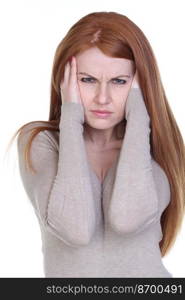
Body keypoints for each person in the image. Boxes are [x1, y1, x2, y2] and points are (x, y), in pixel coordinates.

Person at [8, 12, 185, 277]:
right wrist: (70, 118)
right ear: (64, 80)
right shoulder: (39, 141)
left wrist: (139, 117)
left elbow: (126, 219)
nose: (103, 98)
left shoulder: (155, 150)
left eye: (119, 81)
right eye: (87, 79)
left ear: (140, 85)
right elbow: (75, 228)